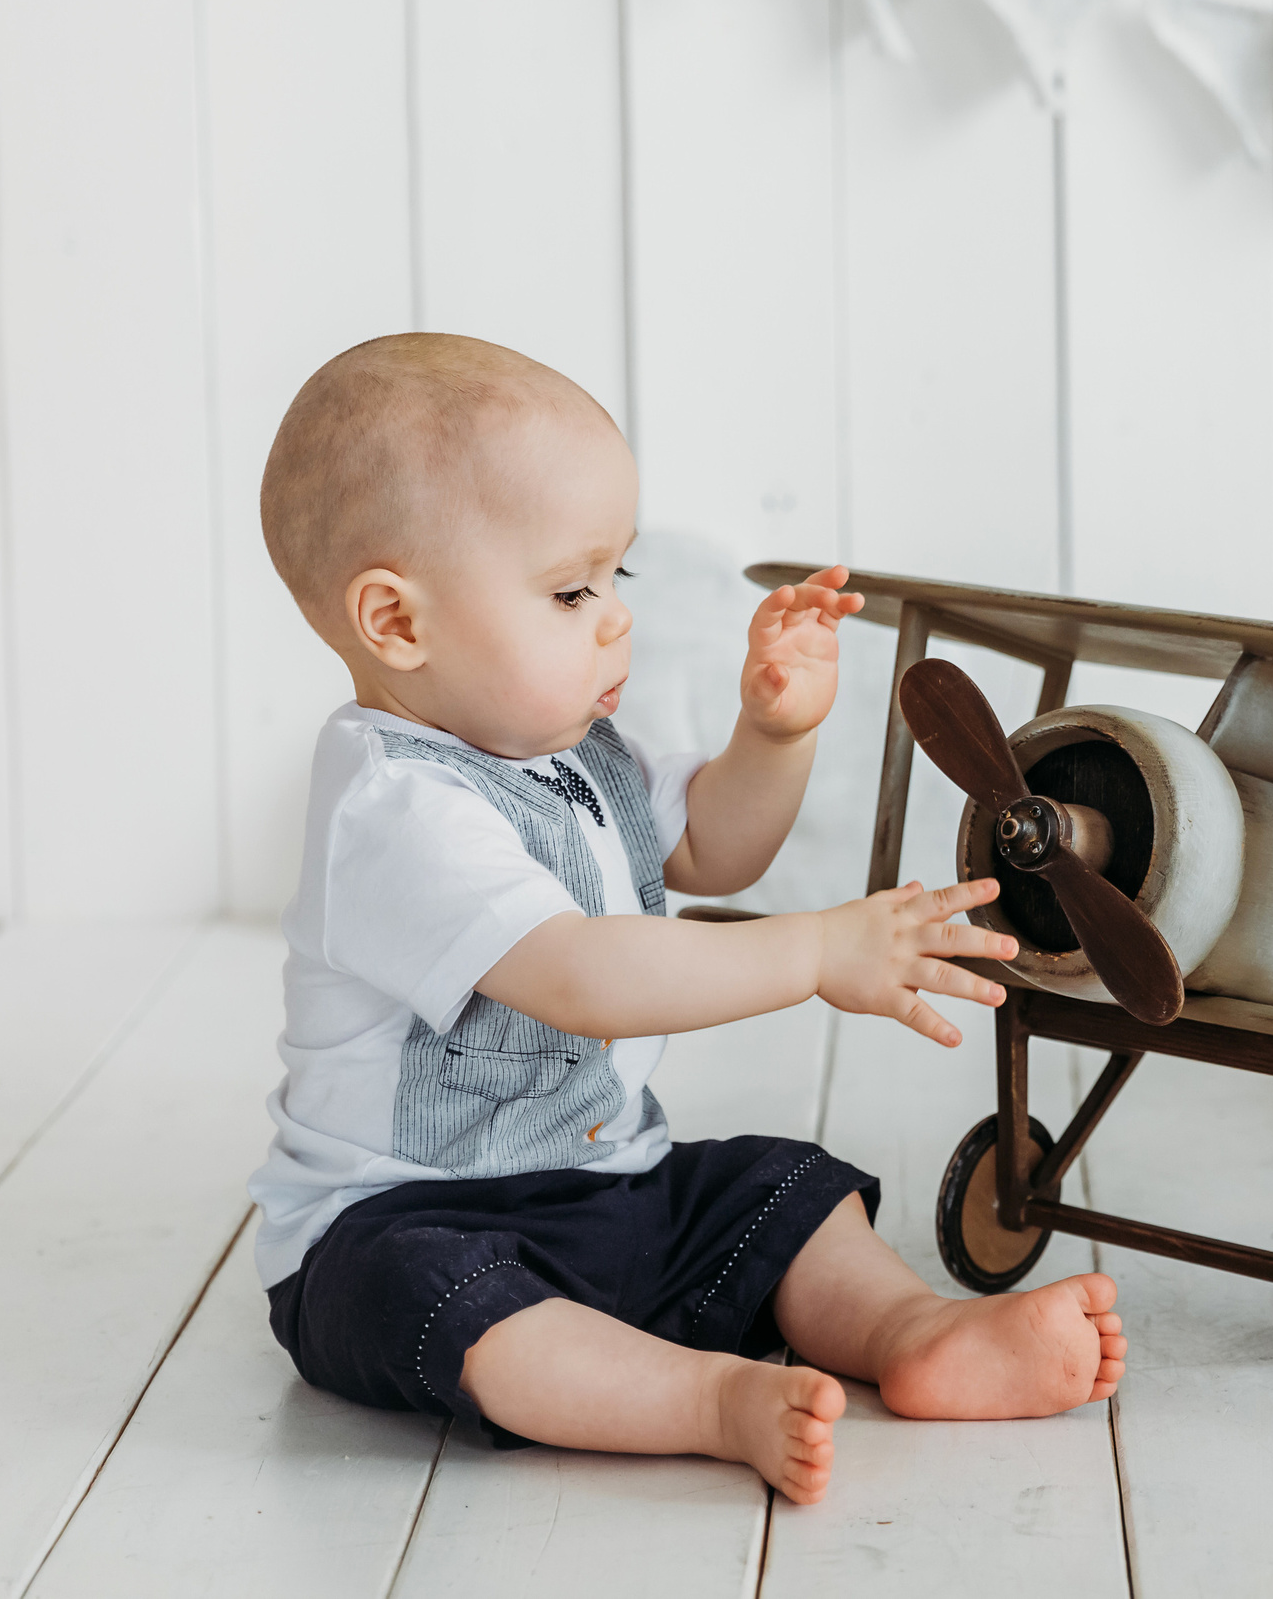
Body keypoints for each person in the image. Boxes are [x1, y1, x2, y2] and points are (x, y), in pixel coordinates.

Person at [248, 333, 1126, 1505]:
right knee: (441, 1300)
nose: (616, 619)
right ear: (397, 623)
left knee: (780, 1187)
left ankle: (913, 1334)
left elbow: (715, 846)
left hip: (613, 1185)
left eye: (618, 578)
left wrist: (773, 734)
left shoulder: (577, 753)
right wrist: (817, 949)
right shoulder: (394, 806)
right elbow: (580, 977)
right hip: (406, 1217)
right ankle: (704, 1400)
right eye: (571, 591)